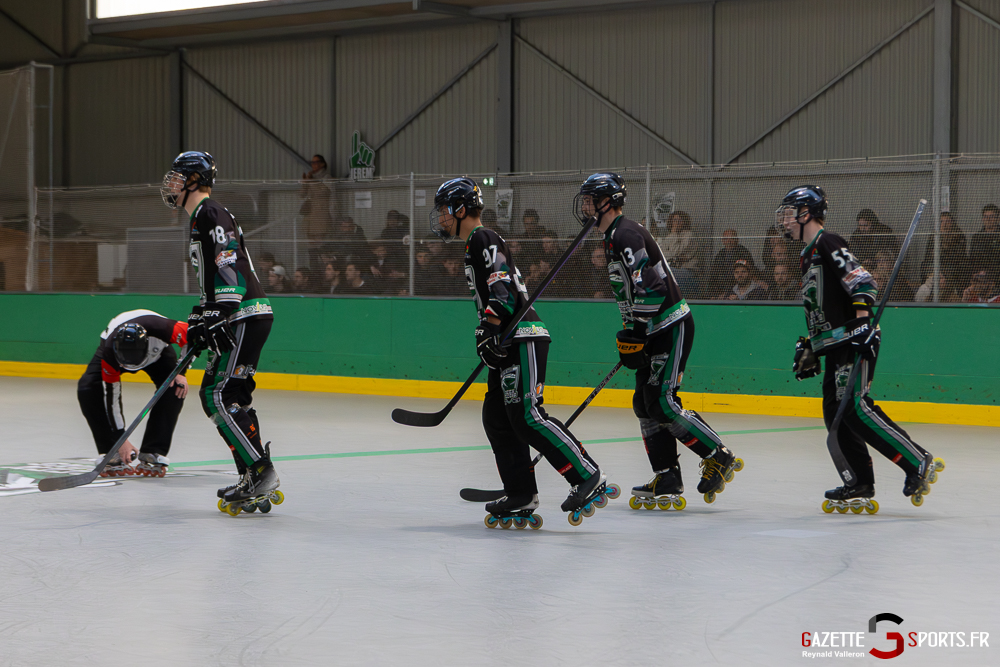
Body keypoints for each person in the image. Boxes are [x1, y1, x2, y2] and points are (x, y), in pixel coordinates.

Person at [431, 177, 613, 526]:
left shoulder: (483, 238)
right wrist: (491, 333)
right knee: (498, 418)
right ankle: (520, 492)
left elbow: (500, 290)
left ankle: (586, 474)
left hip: (522, 336)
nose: (440, 218)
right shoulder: (474, 243)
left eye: (443, 210)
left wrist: (488, 328)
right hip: (508, 339)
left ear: (460, 209)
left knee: (528, 415)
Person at [575, 173, 743, 509]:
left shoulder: (625, 233)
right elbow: (631, 292)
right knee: (644, 403)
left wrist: (637, 332)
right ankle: (667, 475)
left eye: (589, 200)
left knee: (662, 402)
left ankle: (717, 454)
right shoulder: (612, 237)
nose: (584, 206)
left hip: (670, 326)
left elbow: (653, 288)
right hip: (650, 331)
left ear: (607, 202)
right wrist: (632, 333)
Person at [776, 185, 943, 512]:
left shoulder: (828, 241)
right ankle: (859, 483)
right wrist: (813, 344)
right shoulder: (807, 253)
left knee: (854, 407)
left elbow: (862, 281)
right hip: (836, 343)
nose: (784, 219)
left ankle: (918, 461)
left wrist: (864, 324)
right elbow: (824, 305)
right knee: (834, 414)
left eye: (788, 212)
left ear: (806, 213)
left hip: (854, 339)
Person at [160, 151, 280, 513]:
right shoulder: (200, 217)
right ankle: (254, 474)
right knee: (232, 396)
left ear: (194, 180)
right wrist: (202, 317)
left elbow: (229, 262)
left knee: (217, 394)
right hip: (240, 315)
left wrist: (219, 312)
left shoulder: (210, 213)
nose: (172, 184)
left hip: (242, 314)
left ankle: (261, 472)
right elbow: (213, 283)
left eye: (178, 177)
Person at [78, 310, 189, 478]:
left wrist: (182, 370)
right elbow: (112, 397)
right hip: (114, 350)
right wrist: (119, 439)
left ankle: (153, 451)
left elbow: (195, 338)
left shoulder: (166, 329)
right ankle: (111, 451)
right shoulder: (109, 353)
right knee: (87, 388)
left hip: (157, 353)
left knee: (175, 387)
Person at [708, 229, 756, 298]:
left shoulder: (744, 253)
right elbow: (713, 277)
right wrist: (713, 295)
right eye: (726, 239)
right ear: (723, 241)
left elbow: (743, 276)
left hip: (735, 291)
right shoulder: (720, 255)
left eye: (732, 239)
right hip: (720, 292)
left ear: (737, 240)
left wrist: (727, 294)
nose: (729, 242)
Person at [969, 204, 1000, 284]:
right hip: (979, 277)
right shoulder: (976, 238)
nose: (988, 219)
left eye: (991, 216)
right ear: (982, 219)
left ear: (997, 219)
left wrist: (989, 273)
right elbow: (972, 259)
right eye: (986, 217)